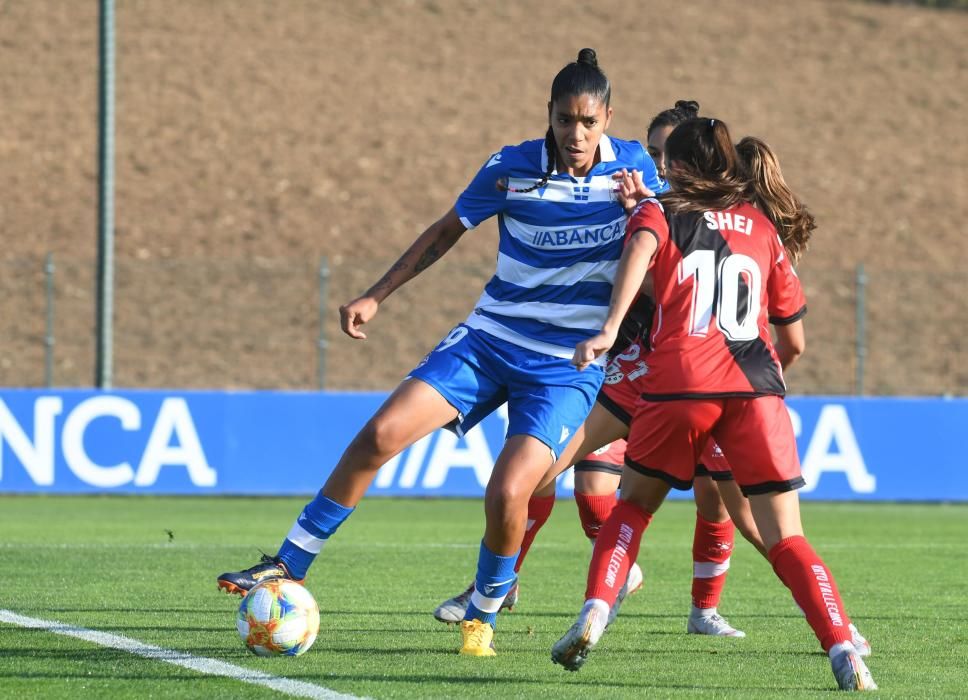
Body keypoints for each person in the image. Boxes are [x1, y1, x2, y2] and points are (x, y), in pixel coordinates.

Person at [216, 48, 662, 658]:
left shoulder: (635, 168)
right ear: (548, 115)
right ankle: (287, 565)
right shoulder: (510, 166)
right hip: (488, 339)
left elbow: (666, 238)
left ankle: (484, 611)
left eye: (588, 121)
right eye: (564, 120)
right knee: (379, 435)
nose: (576, 133)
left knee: (509, 492)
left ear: (608, 116)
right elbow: (446, 230)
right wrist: (377, 294)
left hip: (566, 367)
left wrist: (643, 206)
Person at [550, 117, 877, 691]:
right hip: (755, 388)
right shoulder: (760, 226)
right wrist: (762, 383)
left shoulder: (660, 211)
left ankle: (595, 612)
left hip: (679, 382)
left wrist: (607, 328)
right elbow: (793, 339)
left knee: (633, 508)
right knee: (787, 538)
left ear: (674, 167)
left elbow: (641, 250)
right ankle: (844, 644)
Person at [434, 102, 761, 639]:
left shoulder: (700, 221)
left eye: (667, 156)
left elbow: (679, 295)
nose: (657, 165)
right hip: (626, 371)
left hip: (696, 376)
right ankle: (502, 579)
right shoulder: (632, 200)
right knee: (547, 471)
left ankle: (715, 611)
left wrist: (641, 226)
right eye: (652, 153)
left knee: (730, 506)